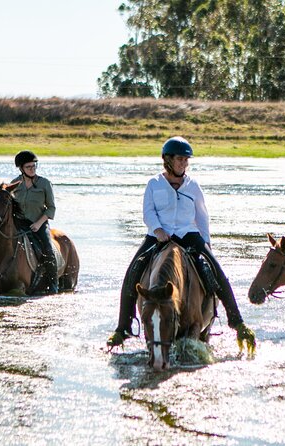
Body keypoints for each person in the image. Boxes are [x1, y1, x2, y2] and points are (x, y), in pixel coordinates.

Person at [107, 136, 255, 348]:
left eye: (186, 160)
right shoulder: (154, 184)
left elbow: (202, 217)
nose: (183, 163)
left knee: (217, 271)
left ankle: (237, 322)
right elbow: (148, 212)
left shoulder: (193, 186)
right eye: (179, 159)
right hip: (159, 235)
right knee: (133, 271)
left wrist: (207, 245)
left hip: (188, 235)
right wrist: (157, 230)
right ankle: (122, 328)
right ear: (167, 160)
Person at [12, 150, 58, 295]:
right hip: (19, 223)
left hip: (38, 223)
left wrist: (39, 223)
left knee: (48, 250)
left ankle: (53, 284)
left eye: (34, 166)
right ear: (21, 169)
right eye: (29, 167)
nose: (32, 169)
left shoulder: (45, 183)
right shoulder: (14, 184)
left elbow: (51, 208)